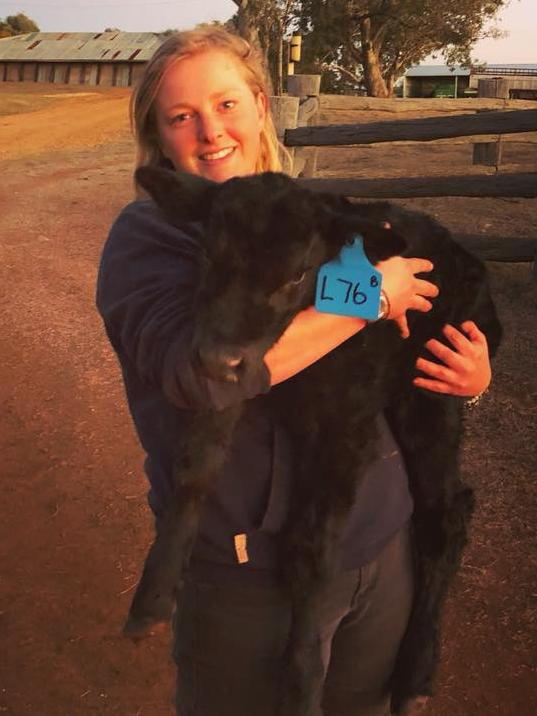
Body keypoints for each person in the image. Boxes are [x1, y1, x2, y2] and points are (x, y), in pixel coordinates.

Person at [96, 27, 492, 716]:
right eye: (181, 116)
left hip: (377, 537)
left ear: (258, 107)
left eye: (225, 104)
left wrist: (469, 374)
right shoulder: (148, 238)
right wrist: (368, 297)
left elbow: (395, 342)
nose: (210, 130)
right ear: (158, 136)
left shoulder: (306, 217)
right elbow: (203, 376)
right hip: (249, 571)